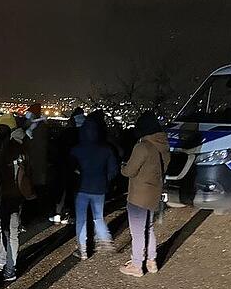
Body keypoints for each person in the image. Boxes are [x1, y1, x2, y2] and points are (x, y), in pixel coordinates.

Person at [120, 111, 170, 277]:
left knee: (137, 232)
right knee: (148, 228)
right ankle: (151, 261)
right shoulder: (163, 144)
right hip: (153, 193)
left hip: (138, 195)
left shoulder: (143, 146)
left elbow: (129, 171)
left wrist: (122, 166)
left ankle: (136, 265)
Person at [0, 114, 33, 281]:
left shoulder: (11, 145)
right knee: (6, 229)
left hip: (10, 195)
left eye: (0, 128)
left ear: (5, 127)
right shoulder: (22, 141)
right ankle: (2, 260)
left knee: (10, 231)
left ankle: (10, 269)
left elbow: (3, 172)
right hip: (17, 194)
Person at [69, 117, 119, 259]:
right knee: (98, 217)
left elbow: (70, 169)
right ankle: (106, 240)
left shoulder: (76, 149)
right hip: (99, 188)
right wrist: (105, 179)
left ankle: (83, 250)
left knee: (81, 219)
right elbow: (113, 170)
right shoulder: (106, 149)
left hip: (81, 188)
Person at [23, 103, 49, 223]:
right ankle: (38, 214)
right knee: (39, 190)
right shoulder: (42, 127)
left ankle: (33, 215)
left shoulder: (33, 128)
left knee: (33, 190)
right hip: (39, 165)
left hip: (33, 164)